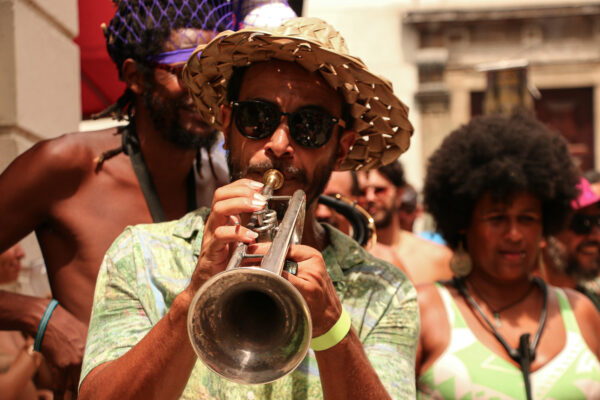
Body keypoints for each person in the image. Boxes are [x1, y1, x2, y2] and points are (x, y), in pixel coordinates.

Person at [79, 17, 417, 399]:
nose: (279, 144)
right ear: (227, 125)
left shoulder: (383, 289)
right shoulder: (140, 255)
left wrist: (333, 328)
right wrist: (193, 297)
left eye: (310, 126)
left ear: (341, 147)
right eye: (256, 117)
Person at [0, 0, 261, 394]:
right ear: (135, 77)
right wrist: (39, 316)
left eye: (215, 76)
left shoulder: (223, 187)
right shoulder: (67, 166)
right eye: (183, 72)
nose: (202, 91)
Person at [416, 112, 600, 399]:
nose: (514, 234)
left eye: (527, 219)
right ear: (463, 222)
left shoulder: (580, 311)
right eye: (497, 218)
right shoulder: (424, 310)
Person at [356, 161, 453, 283]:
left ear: (399, 194)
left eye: (380, 190)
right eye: (361, 192)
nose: (370, 197)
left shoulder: (437, 257)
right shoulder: (347, 257)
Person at [0, 244, 53, 400]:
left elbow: (46, 381)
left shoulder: (12, 313)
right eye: (11, 243)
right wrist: (39, 333)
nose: (22, 253)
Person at [540, 177, 600, 310]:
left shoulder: (593, 306)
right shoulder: (510, 310)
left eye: (598, 221)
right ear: (544, 233)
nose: (597, 236)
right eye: (582, 223)